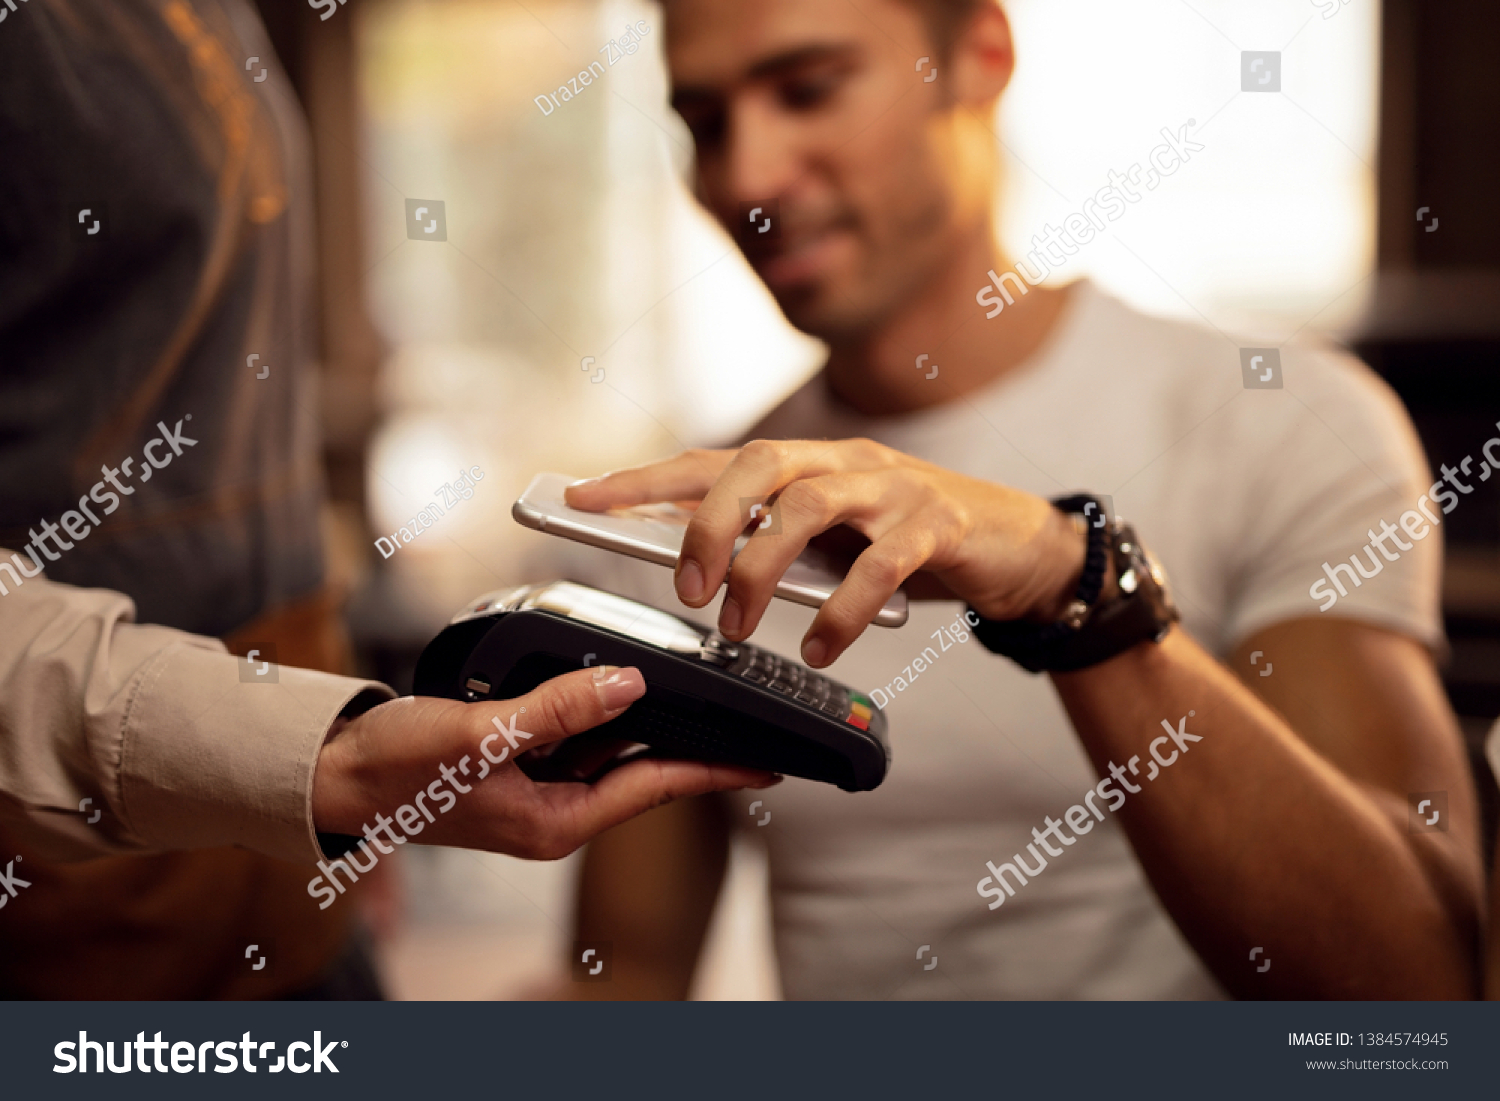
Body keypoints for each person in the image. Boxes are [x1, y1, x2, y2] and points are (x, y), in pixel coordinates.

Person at [554, 0, 1483, 999]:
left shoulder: (1282, 422)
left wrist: (1070, 582)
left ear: (980, 56)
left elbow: (1416, 988)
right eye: (703, 122)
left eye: (809, 88)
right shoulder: (689, 526)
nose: (747, 178)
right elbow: (628, 983)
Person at [0, 0, 772, 999]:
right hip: (81, 869)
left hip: (286, 816)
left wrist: (326, 740)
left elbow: (225, 403)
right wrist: (325, 755)